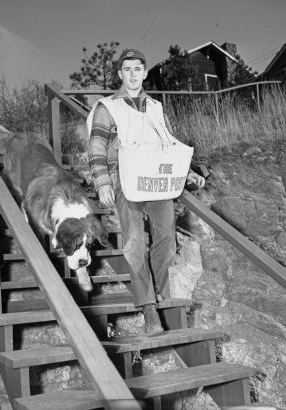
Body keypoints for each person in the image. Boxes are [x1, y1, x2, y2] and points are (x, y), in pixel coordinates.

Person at [89, 49, 205, 334]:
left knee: (167, 238)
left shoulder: (155, 106)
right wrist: (102, 182)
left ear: (144, 72)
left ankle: (152, 287)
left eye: (137, 68)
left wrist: (186, 172)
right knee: (135, 242)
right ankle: (149, 308)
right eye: (126, 69)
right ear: (120, 74)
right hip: (124, 181)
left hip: (155, 180)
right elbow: (96, 145)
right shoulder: (107, 106)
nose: (132, 74)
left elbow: (169, 144)